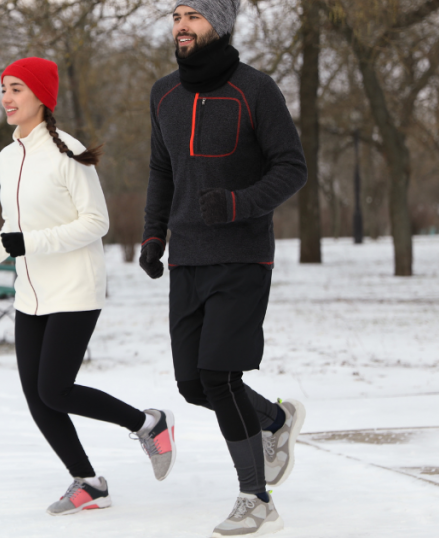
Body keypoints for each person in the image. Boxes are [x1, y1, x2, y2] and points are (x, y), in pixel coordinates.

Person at [0, 57, 175, 516]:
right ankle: (87, 482)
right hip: (32, 291)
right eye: (4, 88)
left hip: (75, 287)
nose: (6, 97)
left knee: (56, 390)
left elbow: (95, 222)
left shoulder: (67, 150)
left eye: (17, 89)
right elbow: (16, 224)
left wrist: (26, 242)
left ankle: (148, 423)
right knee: (37, 397)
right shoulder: (7, 157)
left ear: (41, 96)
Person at [140, 2, 308, 536]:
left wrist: (239, 204)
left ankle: (256, 499)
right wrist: (152, 235)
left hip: (241, 256)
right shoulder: (163, 93)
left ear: (221, 24)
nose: (182, 25)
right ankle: (276, 421)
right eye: (176, 15)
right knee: (193, 384)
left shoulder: (256, 89)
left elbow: (292, 167)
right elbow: (161, 170)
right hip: (187, 257)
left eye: (194, 15)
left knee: (220, 375)